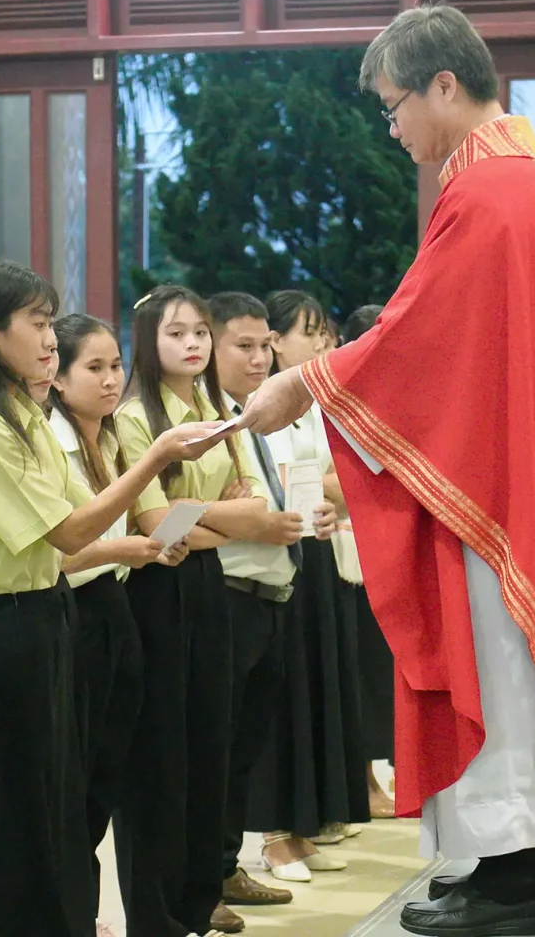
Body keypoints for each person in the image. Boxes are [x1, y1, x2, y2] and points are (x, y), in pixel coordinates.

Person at [238, 4, 535, 936]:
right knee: (509, 678)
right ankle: (513, 873)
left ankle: (519, 885)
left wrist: (304, 384)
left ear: (443, 85)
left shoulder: (491, 192)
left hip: (499, 486)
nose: (393, 129)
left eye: (395, 107)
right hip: (510, 467)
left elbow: (419, 338)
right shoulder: (520, 176)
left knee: (505, 676)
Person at [0, 262, 217, 937]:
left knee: (59, 809)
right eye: (36, 323)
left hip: (49, 613)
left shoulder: (21, 415)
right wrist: (154, 460)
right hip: (7, 626)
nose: (46, 339)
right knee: (18, 817)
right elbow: (69, 531)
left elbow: (81, 517)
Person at [113, 285, 274, 937]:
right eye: (177, 333)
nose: (192, 344)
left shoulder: (214, 410)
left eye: (200, 332)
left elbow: (256, 507)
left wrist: (201, 519)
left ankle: (199, 898)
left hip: (206, 581)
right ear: (148, 340)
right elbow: (155, 524)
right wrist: (223, 517)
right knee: (160, 754)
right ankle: (157, 912)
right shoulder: (134, 417)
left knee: (211, 741)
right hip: (153, 591)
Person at [47, 314, 188, 937]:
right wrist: (123, 549)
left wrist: (154, 543)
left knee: (107, 774)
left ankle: (88, 911)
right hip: (75, 611)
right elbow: (56, 550)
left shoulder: (108, 439)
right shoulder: (51, 441)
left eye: (115, 366)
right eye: (94, 368)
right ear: (58, 377)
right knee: (76, 780)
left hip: (117, 605)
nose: (110, 381)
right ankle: (74, 913)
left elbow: (141, 523)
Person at [202, 293, 312, 921]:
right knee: (212, 752)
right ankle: (200, 883)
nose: (259, 358)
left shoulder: (254, 415)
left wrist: (300, 520)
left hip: (273, 594)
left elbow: (271, 500)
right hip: (225, 597)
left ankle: (224, 867)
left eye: (265, 345)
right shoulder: (197, 424)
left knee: (244, 751)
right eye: (242, 346)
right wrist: (252, 524)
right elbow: (166, 520)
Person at [246, 290, 364, 874]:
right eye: (309, 333)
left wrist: (322, 492)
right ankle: (272, 834)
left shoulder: (311, 402)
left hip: (312, 547)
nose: (322, 344)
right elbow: (292, 482)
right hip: (271, 554)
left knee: (313, 688)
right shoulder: (258, 407)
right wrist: (321, 490)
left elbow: (336, 480)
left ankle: (302, 823)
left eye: (324, 333)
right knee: (278, 695)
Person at [333, 304, 396, 821]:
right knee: (358, 680)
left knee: (379, 676)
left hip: (382, 554)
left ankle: (378, 778)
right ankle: (364, 781)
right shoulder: (335, 403)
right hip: (340, 558)